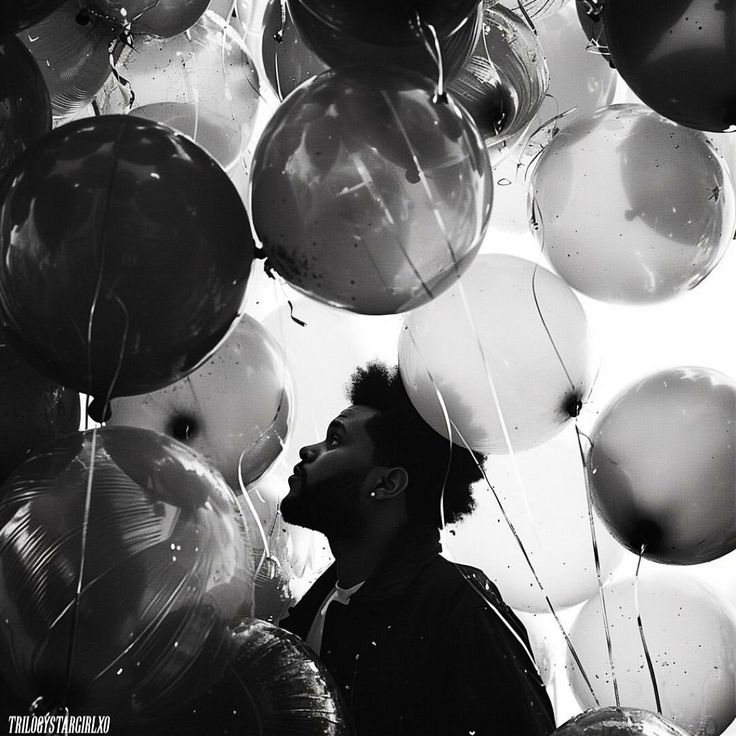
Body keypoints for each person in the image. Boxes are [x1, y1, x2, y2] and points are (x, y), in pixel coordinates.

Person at [279, 362, 555, 736]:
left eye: (336, 440)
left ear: (387, 483)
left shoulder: (459, 607)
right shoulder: (311, 611)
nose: (308, 450)